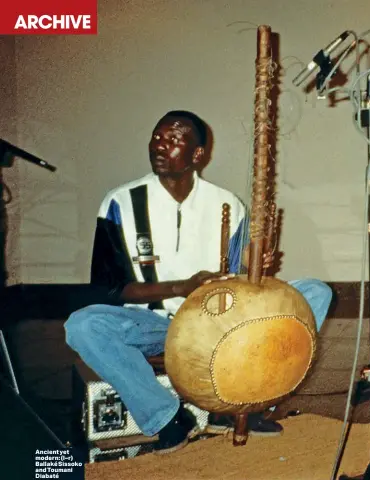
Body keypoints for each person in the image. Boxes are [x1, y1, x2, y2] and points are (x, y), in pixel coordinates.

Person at [64, 110, 333, 454]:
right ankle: (167, 417)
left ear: (197, 155)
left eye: (174, 140)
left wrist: (253, 268)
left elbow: (239, 287)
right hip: (154, 323)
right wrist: (180, 288)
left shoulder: (227, 204)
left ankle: (244, 405)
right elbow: (108, 289)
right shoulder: (120, 202)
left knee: (316, 292)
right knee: (84, 325)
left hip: (216, 324)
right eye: (157, 138)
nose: (161, 146)